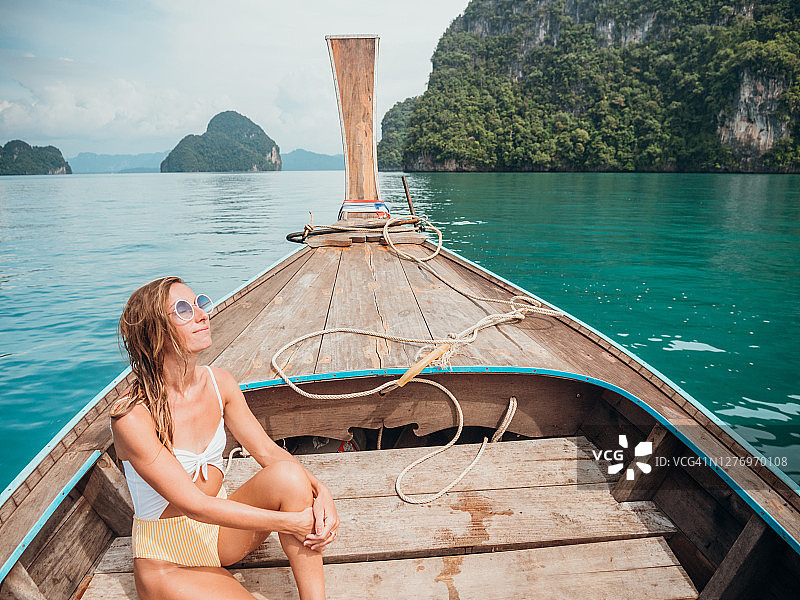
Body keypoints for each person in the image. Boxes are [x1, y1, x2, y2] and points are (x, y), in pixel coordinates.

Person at [111, 276, 336, 600]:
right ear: (155, 333)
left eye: (199, 304)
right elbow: (196, 505)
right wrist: (292, 522)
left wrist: (321, 492)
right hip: (167, 560)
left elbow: (267, 452)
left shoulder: (219, 383)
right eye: (184, 310)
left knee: (289, 476)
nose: (203, 314)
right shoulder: (132, 417)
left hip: (219, 535)